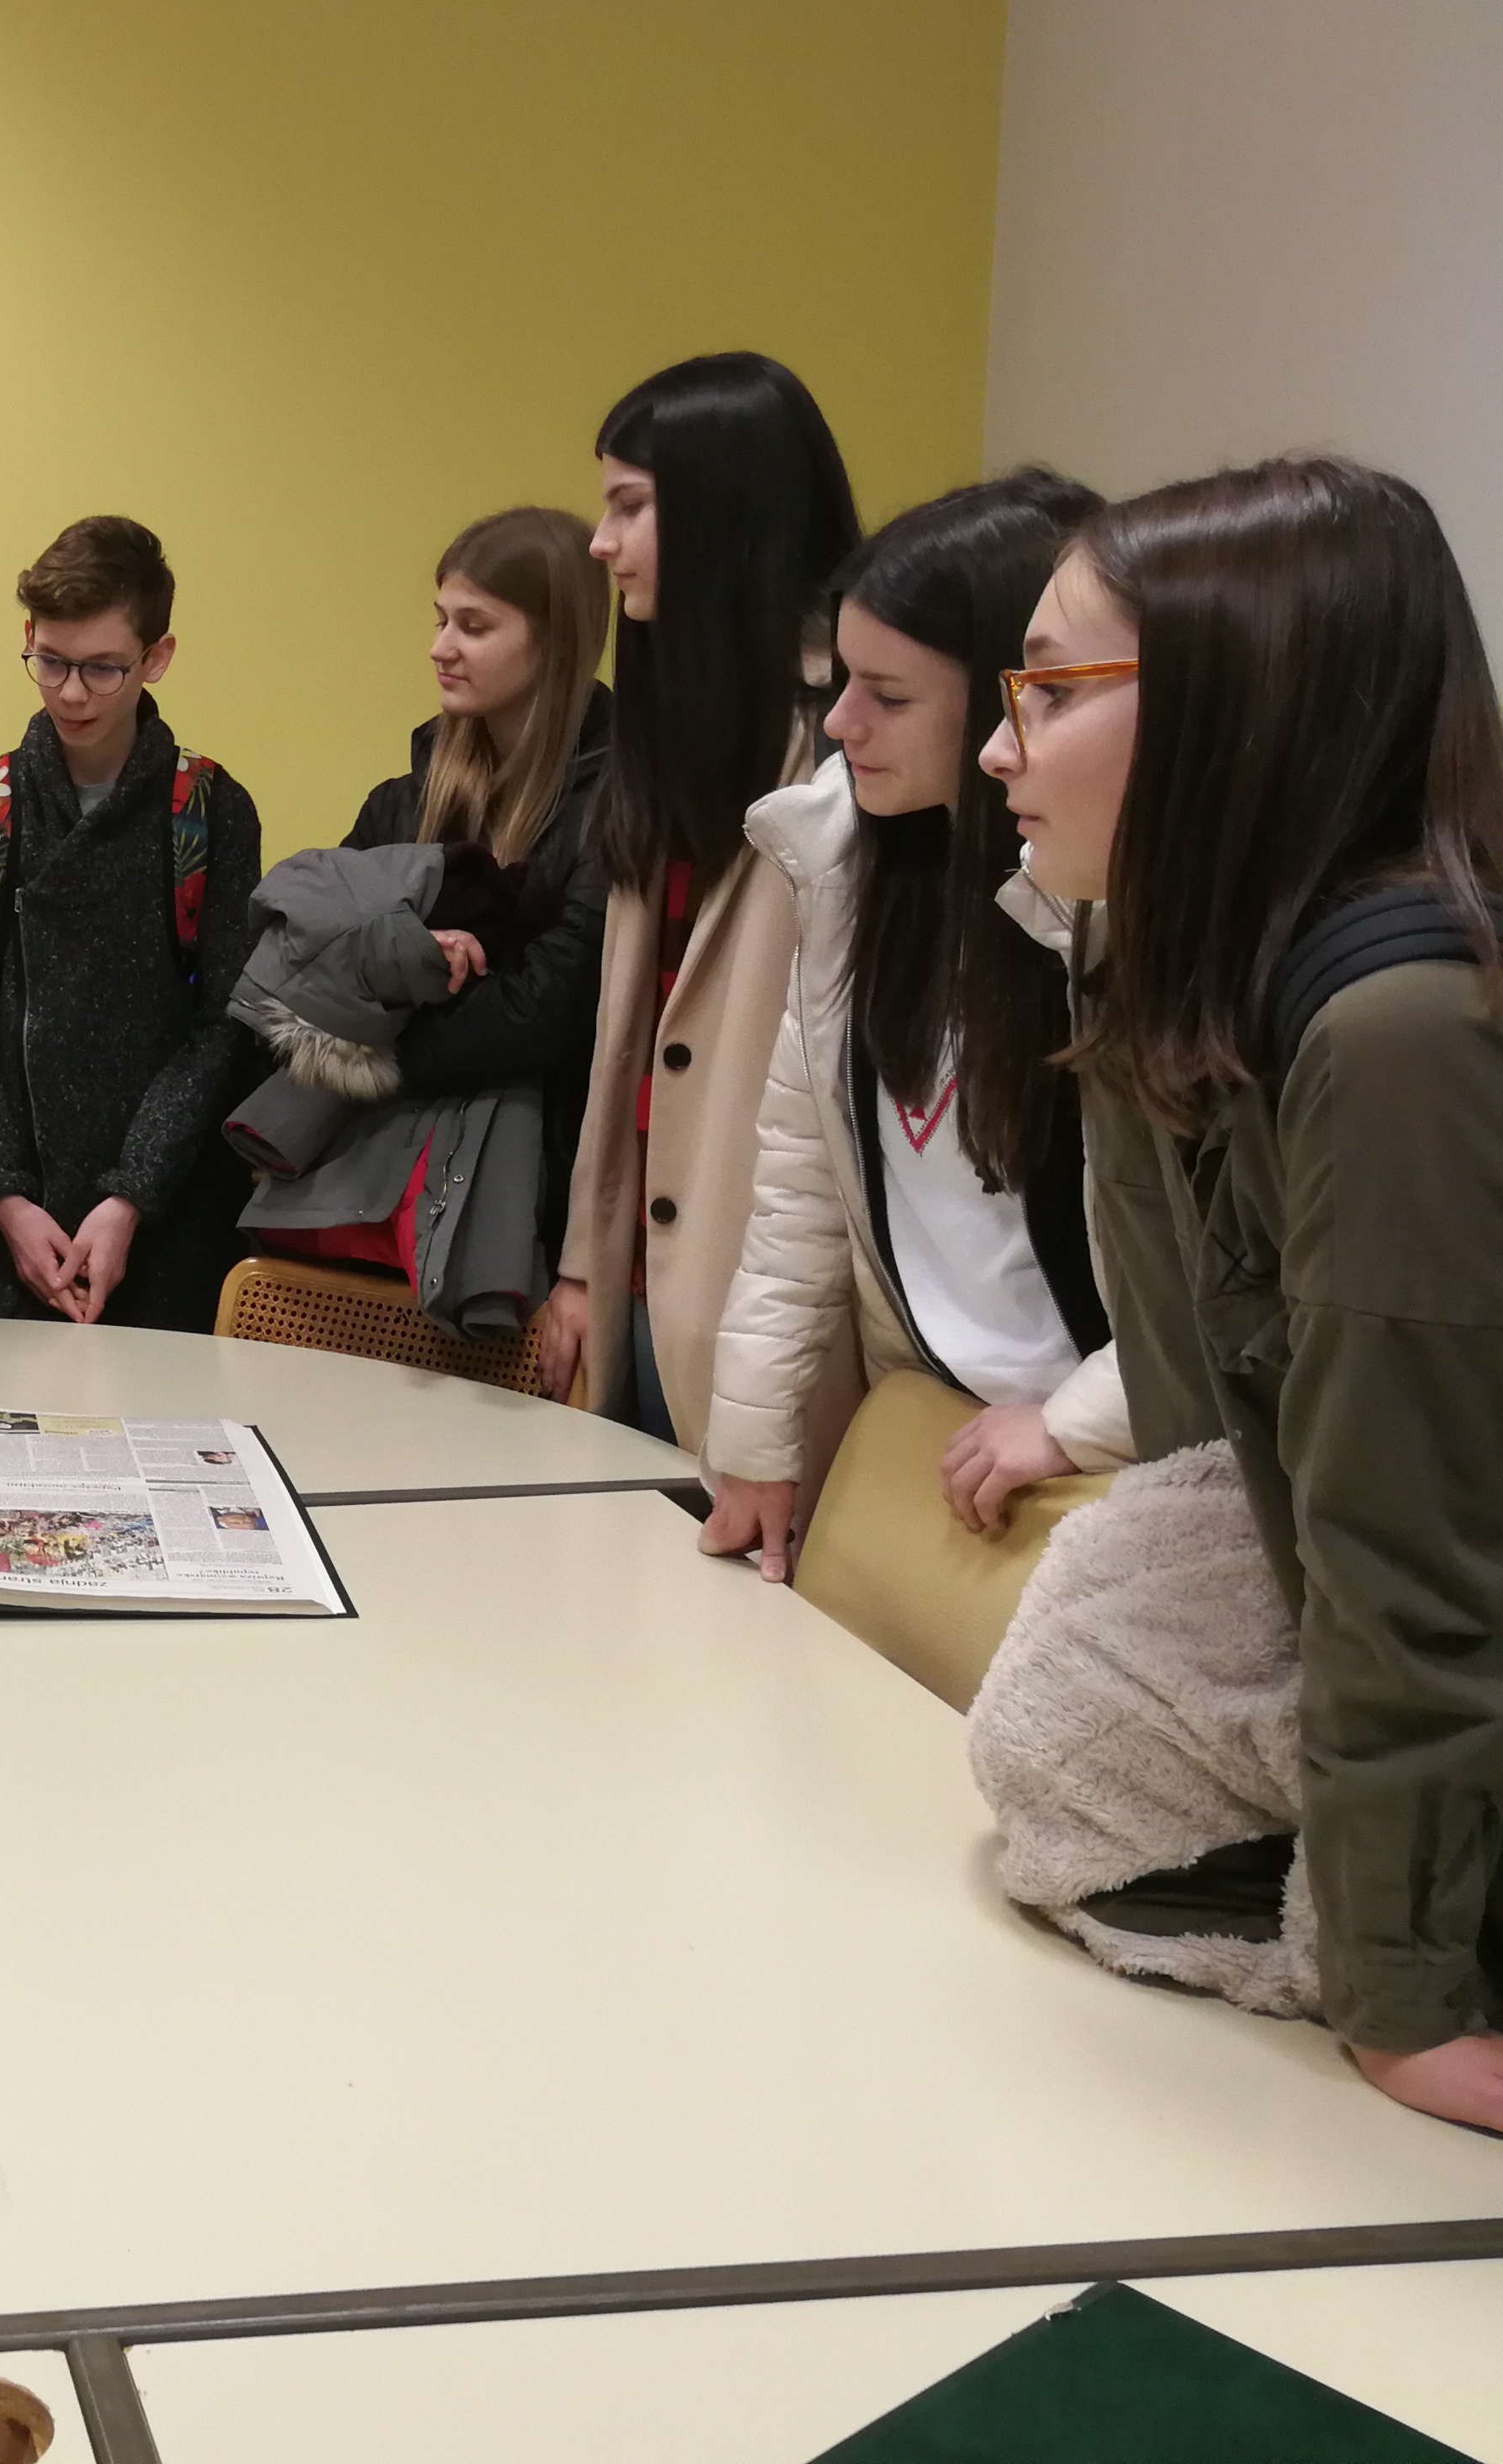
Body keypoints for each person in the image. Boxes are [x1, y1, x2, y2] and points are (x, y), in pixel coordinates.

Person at [981, 454, 1503, 2134]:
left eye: (1050, 689)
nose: (999, 747)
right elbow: (1217, 1441)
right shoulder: (1194, 980)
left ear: (1233, 713)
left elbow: (1411, 1556)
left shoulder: (1397, 1035)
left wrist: (1398, 1998)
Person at [700, 472, 1126, 1580]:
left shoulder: (1108, 919)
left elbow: (1217, 1296)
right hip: (935, 1435)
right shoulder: (847, 868)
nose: (839, 725)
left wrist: (1079, 1419)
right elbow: (799, 1188)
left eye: (887, 696)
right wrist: (755, 1441)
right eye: (841, 682)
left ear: (1010, 699)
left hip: (1105, 1461)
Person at [547, 352, 861, 1441]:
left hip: (766, 1301)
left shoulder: (845, 747)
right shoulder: (672, 731)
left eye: (629, 506)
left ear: (726, 514)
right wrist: (583, 1263)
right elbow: (628, 1037)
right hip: (640, 1272)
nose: (600, 543)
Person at [259, 505, 613, 1294]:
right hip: (360, 1198)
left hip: (533, 1215)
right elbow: (294, 964)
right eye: (440, 619)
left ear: (557, 642)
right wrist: (406, 971)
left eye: (474, 626)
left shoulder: (616, 809)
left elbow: (547, 1013)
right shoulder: (401, 802)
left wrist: (369, 1036)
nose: (440, 648)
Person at [0, 516, 263, 1329]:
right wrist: (6, 1197)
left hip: (173, 1206)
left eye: (104, 668)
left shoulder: (211, 810)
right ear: (29, 639)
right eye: (50, 661)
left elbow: (222, 1027)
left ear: (157, 657)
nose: (72, 692)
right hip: (23, 1216)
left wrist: (131, 1195)